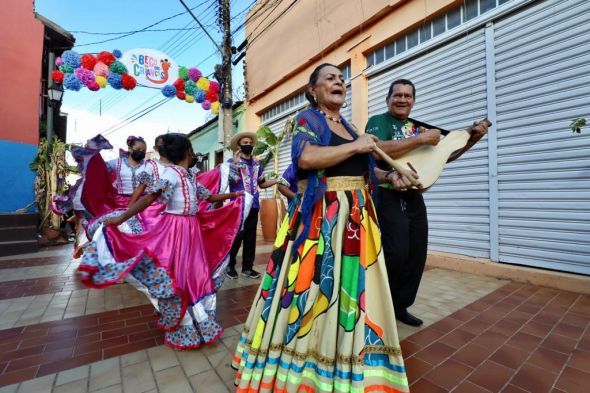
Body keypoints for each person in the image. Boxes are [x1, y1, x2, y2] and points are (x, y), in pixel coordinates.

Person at [232, 63, 410, 392]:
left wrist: (392, 178)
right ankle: (306, 368)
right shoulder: (308, 120)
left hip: (357, 220)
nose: (339, 82)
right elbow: (306, 159)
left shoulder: (350, 126)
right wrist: (357, 146)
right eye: (330, 78)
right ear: (313, 90)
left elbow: (365, 171)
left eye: (341, 79)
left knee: (354, 294)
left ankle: (350, 361)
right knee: (316, 291)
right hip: (324, 219)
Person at [79, 133, 248, 349]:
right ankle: (184, 323)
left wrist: (236, 196)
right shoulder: (171, 174)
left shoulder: (188, 176)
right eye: (192, 148)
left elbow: (210, 197)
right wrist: (121, 217)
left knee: (196, 274)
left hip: (192, 229)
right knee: (178, 275)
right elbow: (149, 197)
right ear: (188, 151)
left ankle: (198, 321)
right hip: (176, 230)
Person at [366, 78, 489, 326]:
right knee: (395, 254)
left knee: (415, 255)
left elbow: (444, 155)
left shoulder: (418, 127)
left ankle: (400, 306)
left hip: (415, 197)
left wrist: (472, 139)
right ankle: (379, 308)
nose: (402, 99)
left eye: (407, 96)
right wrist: (420, 140)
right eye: (397, 95)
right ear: (387, 99)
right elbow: (375, 150)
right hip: (389, 194)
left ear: (414, 101)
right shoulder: (378, 122)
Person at [226, 132, 278, 279]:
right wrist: (235, 165)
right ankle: (229, 266)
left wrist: (277, 180)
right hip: (238, 206)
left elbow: (262, 184)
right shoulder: (232, 162)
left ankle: (247, 268)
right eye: (244, 143)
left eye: (250, 142)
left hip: (254, 206)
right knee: (236, 237)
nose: (248, 145)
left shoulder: (256, 164)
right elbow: (229, 181)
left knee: (250, 238)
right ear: (239, 146)